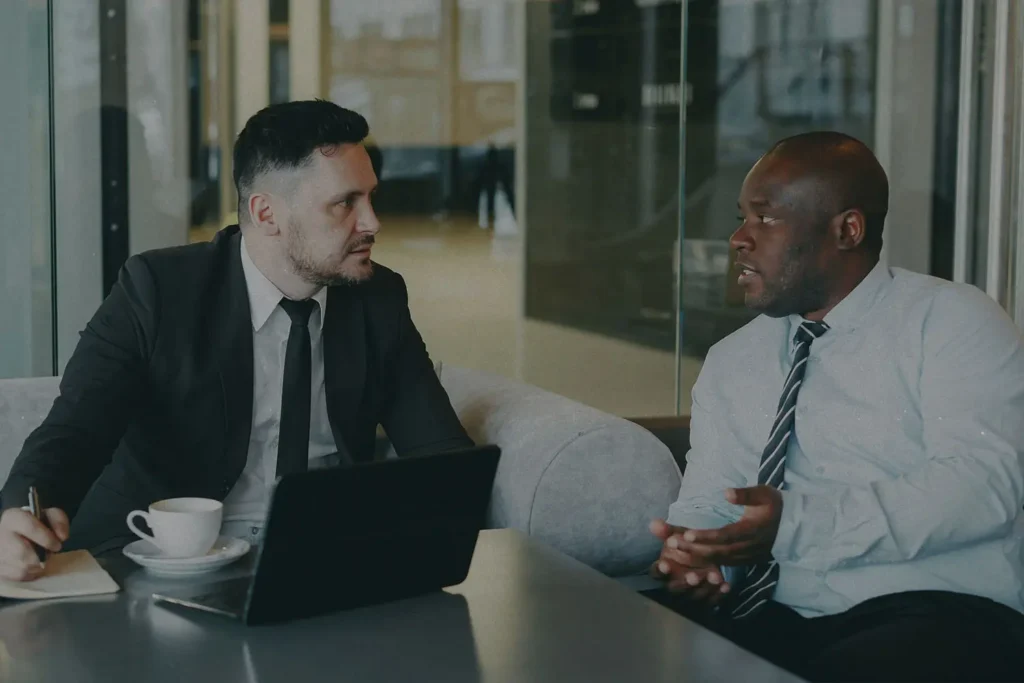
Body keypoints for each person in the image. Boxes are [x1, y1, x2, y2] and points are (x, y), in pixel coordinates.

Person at [0, 100, 473, 578]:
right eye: (345, 203)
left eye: (371, 198)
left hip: (317, 564)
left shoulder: (378, 298)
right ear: (266, 213)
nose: (372, 222)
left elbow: (441, 457)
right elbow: (76, 430)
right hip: (168, 563)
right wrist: (18, 515)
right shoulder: (158, 290)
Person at [646, 132, 1024, 682]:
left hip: (932, 608)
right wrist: (696, 553)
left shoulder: (951, 321)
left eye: (765, 219)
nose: (738, 239)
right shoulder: (734, 358)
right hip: (772, 612)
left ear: (848, 229)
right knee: (612, 642)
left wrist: (795, 525)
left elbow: (983, 484)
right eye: (740, 218)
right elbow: (713, 496)